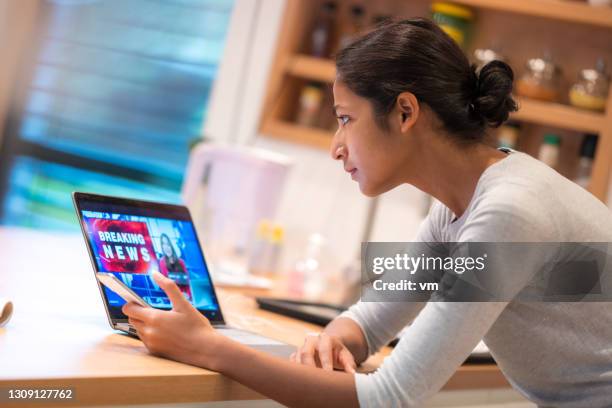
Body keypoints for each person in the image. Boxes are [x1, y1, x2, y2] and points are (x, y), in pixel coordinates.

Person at [122, 18, 612, 407]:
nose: (337, 147)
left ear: (404, 112)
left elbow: (389, 398)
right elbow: (370, 321)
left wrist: (208, 348)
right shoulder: (461, 206)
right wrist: (334, 341)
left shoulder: (510, 213)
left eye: (345, 120)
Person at [158, 233, 191, 301]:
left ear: (171, 245)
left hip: (185, 298)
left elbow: (187, 283)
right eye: (163, 244)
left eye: (168, 244)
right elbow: (166, 284)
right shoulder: (162, 262)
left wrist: (187, 295)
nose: (166, 247)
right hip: (172, 298)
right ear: (162, 247)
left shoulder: (181, 262)